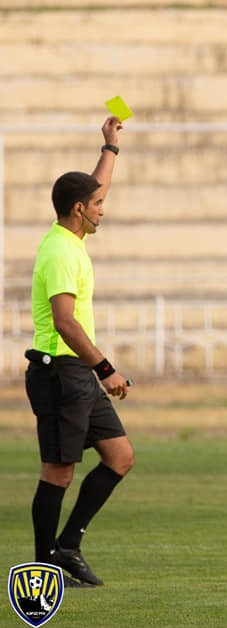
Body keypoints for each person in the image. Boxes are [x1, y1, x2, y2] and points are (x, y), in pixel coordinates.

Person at [26, 116, 133, 588]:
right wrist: (105, 368)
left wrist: (110, 148)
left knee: (120, 456)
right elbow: (66, 322)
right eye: (97, 205)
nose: (102, 210)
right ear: (78, 210)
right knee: (59, 470)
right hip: (59, 371)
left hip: (76, 374)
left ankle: (67, 547)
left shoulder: (72, 235)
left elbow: (94, 186)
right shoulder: (61, 252)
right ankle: (43, 568)